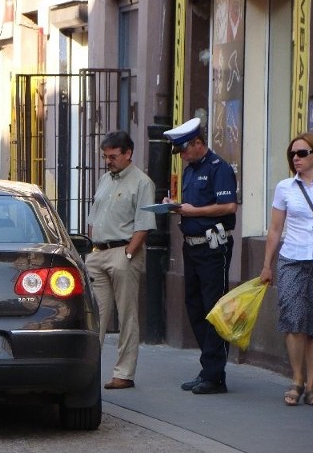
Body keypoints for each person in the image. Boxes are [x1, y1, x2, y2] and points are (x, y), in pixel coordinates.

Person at [259, 132, 313, 407]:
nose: (296, 158)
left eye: (302, 153)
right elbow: (274, 230)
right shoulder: (285, 187)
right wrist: (266, 265)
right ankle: (296, 380)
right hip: (292, 258)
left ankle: (312, 386)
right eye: (293, 154)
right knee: (294, 319)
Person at [163, 117, 238, 394]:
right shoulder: (192, 170)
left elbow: (229, 205)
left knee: (214, 309)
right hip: (192, 245)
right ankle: (208, 369)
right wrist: (174, 206)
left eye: (183, 150)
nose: (181, 156)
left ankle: (215, 374)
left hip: (213, 246)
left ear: (197, 143)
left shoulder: (219, 168)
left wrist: (193, 211)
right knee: (195, 307)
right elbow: (192, 204)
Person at [85, 130, 156, 389]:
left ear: (128, 154)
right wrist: (93, 243)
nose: (108, 161)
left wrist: (128, 254)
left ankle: (124, 373)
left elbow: (144, 224)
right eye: (105, 156)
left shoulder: (142, 182)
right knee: (93, 315)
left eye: (113, 156)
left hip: (123, 251)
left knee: (126, 315)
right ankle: (87, 369)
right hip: (98, 253)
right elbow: (94, 215)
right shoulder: (105, 179)